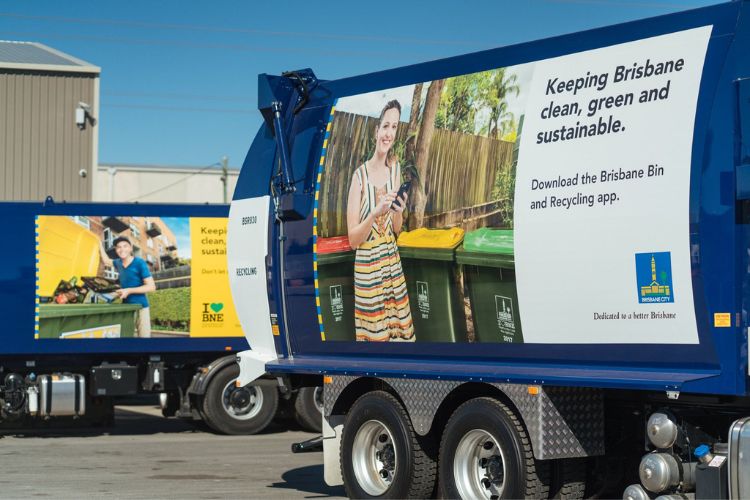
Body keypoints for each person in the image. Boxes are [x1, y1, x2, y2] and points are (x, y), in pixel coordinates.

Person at [346, 99, 414, 342]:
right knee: (375, 346)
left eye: (394, 127)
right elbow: (353, 240)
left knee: (400, 342)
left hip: (392, 265)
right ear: (376, 131)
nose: (389, 133)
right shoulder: (359, 177)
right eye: (385, 126)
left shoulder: (395, 170)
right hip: (369, 271)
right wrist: (374, 213)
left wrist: (398, 210)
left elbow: (395, 229)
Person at [99, 236, 156, 338]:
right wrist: (99, 244)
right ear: (116, 250)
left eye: (125, 246)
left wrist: (129, 290)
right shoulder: (118, 263)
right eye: (118, 247)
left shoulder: (139, 263)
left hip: (141, 307)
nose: (122, 249)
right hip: (126, 308)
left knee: (144, 338)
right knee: (126, 336)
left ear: (130, 248)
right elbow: (106, 260)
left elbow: (151, 287)